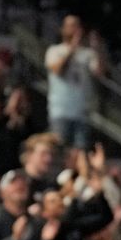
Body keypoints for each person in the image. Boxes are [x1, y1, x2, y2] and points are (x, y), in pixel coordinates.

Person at [45, 15, 104, 150]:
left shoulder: (87, 53)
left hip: (82, 111)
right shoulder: (54, 50)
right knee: (58, 149)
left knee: (81, 152)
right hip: (60, 110)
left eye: (77, 25)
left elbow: (99, 73)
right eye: (70, 25)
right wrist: (72, 48)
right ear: (63, 29)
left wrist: (97, 48)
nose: (74, 29)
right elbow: (57, 70)